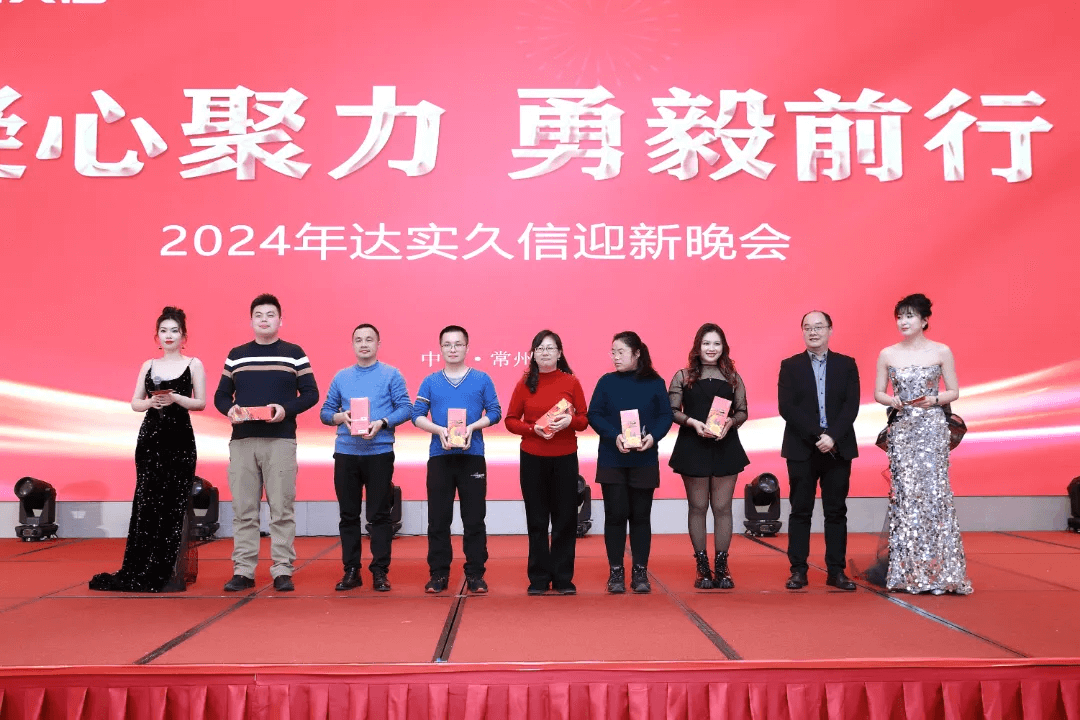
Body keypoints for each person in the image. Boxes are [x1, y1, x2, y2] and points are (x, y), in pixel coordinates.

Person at [90, 307, 207, 592]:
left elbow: (201, 402)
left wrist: (176, 398)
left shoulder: (194, 364)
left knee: (173, 504)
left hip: (179, 441)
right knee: (147, 503)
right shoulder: (148, 365)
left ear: (184, 336)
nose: (169, 336)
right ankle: (140, 566)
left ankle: (166, 571)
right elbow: (135, 402)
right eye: (164, 331)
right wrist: (150, 403)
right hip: (150, 440)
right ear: (157, 336)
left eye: (174, 331)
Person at [213, 294, 319, 593]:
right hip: (242, 441)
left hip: (280, 440)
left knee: (281, 509)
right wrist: (230, 410)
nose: (264, 319)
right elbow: (221, 395)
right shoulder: (236, 355)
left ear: (280, 320)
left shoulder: (294, 353)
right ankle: (243, 570)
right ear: (251, 321)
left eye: (270, 314)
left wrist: (285, 409)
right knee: (244, 509)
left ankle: (282, 569)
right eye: (258, 315)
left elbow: (311, 393)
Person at [873, 294, 972, 595]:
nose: (903, 322)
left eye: (910, 316)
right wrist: (892, 400)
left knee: (935, 496)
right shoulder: (888, 354)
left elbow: (954, 391)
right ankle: (906, 572)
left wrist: (935, 399)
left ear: (924, 320)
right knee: (905, 497)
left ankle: (943, 572)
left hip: (932, 429)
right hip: (902, 430)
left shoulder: (941, 351)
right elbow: (878, 393)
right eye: (900, 317)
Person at [320, 323, 412, 592]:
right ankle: (351, 570)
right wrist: (340, 417)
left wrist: (382, 423)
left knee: (379, 515)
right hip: (346, 453)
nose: (363, 344)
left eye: (369, 339)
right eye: (358, 340)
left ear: (378, 344)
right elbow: (325, 412)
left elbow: (406, 408)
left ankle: (380, 571)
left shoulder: (391, 374)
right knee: (348, 515)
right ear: (352, 345)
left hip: (379, 453)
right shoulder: (341, 377)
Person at [412, 326, 501, 594]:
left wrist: (473, 427)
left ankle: (475, 574)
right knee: (438, 520)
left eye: (458, 344)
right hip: (440, 457)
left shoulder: (482, 379)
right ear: (440, 348)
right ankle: (438, 574)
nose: (453, 349)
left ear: (467, 348)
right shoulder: (430, 381)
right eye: (447, 344)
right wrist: (439, 430)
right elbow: (417, 415)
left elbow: (495, 412)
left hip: (472, 457)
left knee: (474, 519)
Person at [778, 311, 861, 591]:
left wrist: (832, 436)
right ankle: (798, 571)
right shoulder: (790, 365)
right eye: (807, 327)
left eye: (818, 327)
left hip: (838, 448)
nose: (813, 332)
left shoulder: (846, 364)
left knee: (836, 511)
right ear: (802, 332)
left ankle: (836, 572)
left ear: (830, 330)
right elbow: (787, 407)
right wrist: (819, 435)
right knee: (800, 511)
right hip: (802, 447)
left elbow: (851, 406)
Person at [504, 330, 590, 595]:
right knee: (537, 520)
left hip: (565, 458)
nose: (545, 352)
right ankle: (539, 578)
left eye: (550, 348)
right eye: (540, 348)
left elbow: (584, 420)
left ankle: (563, 578)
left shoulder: (571, 382)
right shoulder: (524, 383)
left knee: (565, 519)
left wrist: (570, 421)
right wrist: (533, 429)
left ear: (559, 353)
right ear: (533, 354)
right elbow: (510, 420)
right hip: (533, 458)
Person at [588, 331, 673, 594]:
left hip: (644, 458)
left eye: (621, 352)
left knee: (640, 516)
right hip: (613, 457)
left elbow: (665, 416)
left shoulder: (655, 382)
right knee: (615, 515)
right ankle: (616, 571)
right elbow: (594, 414)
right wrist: (614, 436)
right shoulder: (606, 382)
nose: (615, 357)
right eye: (613, 352)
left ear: (637, 353)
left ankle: (640, 571)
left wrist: (653, 437)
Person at [668, 323, 749, 589]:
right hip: (693, 446)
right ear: (697, 347)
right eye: (706, 343)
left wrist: (730, 423)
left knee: (723, 508)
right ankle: (702, 567)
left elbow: (742, 411)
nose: (711, 348)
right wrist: (692, 422)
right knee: (698, 507)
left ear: (723, 347)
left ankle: (722, 567)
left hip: (726, 447)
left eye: (716, 343)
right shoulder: (683, 376)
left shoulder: (733, 377)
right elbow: (671, 411)